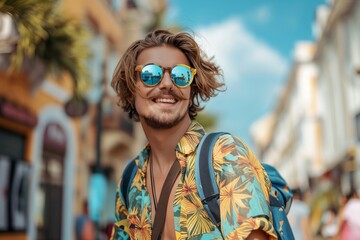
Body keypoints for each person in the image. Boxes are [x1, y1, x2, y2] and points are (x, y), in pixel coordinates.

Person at [110, 29, 278, 240]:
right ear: (130, 87)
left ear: (192, 91)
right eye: (150, 74)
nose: (167, 84)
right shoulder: (130, 179)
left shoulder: (224, 156)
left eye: (181, 76)